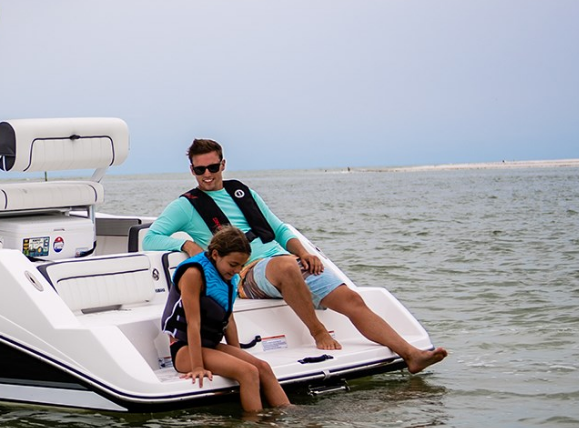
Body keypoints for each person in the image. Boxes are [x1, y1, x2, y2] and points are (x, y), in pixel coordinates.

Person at [144, 138, 448, 374]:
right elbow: (152, 237)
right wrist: (187, 246)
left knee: (351, 299)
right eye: (200, 170)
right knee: (286, 266)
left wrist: (303, 251)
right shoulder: (186, 205)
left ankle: (411, 354)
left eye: (213, 167)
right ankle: (318, 332)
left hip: (281, 262)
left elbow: (278, 229)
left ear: (223, 164)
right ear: (192, 171)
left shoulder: (242, 192)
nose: (207, 175)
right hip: (247, 272)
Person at [163, 225, 290, 413]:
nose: (237, 270)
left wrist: (236, 353)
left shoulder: (228, 275)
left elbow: (228, 319)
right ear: (215, 254)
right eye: (233, 264)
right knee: (248, 372)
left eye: (241, 266)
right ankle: (254, 425)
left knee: (263, 367)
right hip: (185, 350)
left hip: (210, 345)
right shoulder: (194, 273)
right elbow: (193, 323)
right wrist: (197, 367)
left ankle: (289, 415)